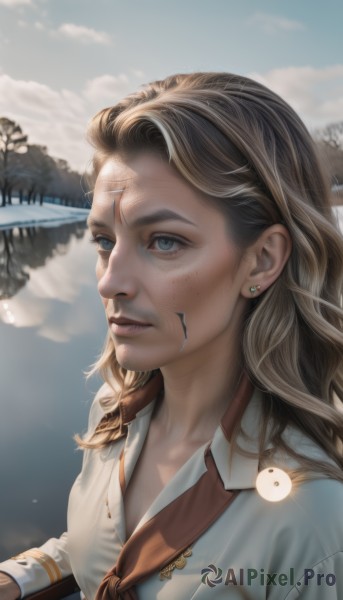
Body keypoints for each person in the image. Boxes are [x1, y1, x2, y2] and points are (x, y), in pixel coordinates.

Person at [0, 72, 342, 600]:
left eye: (163, 242)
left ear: (263, 258)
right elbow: (105, 547)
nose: (111, 281)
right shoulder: (115, 415)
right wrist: (19, 578)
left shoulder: (315, 520)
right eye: (103, 241)